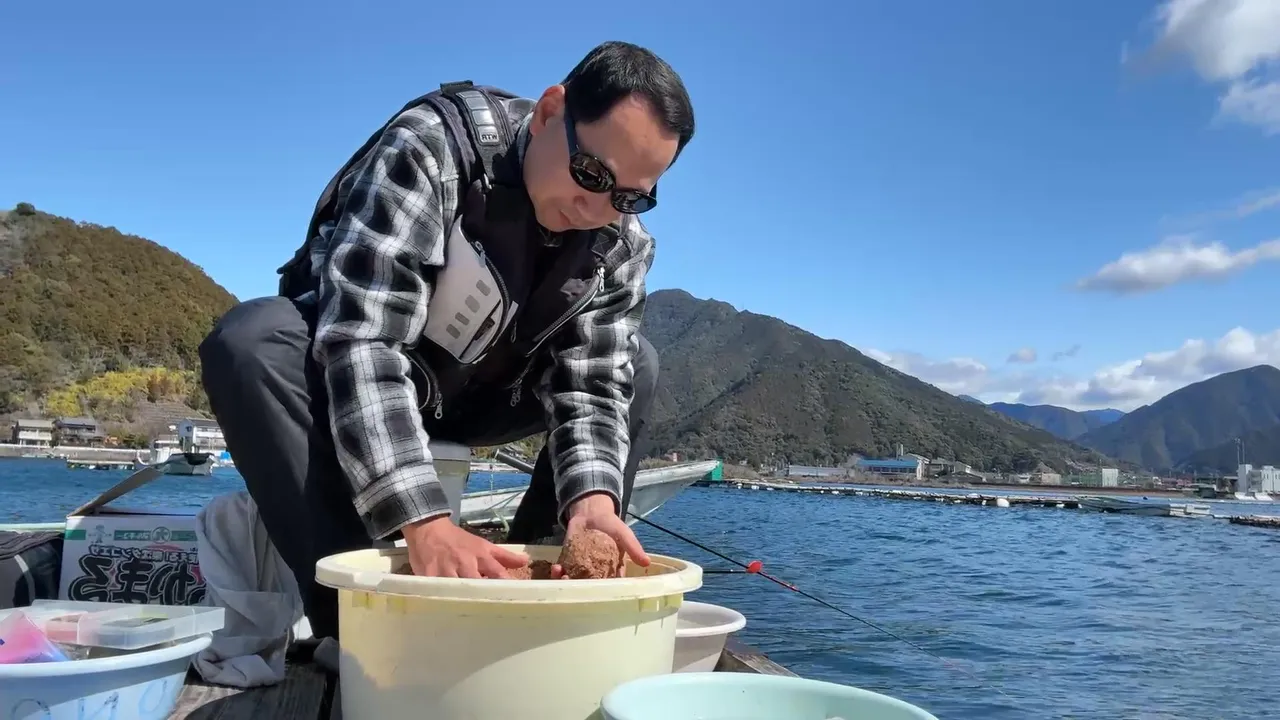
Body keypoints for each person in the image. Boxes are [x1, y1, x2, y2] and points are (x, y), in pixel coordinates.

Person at [198, 41, 695, 640]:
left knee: (638, 365)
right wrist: (425, 521)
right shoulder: (431, 149)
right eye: (591, 174)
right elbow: (365, 339)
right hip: (373, 379)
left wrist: (593, 498)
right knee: (250, 343)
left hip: (489, 395)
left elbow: (591, 385)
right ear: (549, 113)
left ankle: (544, 605)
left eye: (629, 197)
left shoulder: (621, 243)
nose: (597, 209)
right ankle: (358, 623)